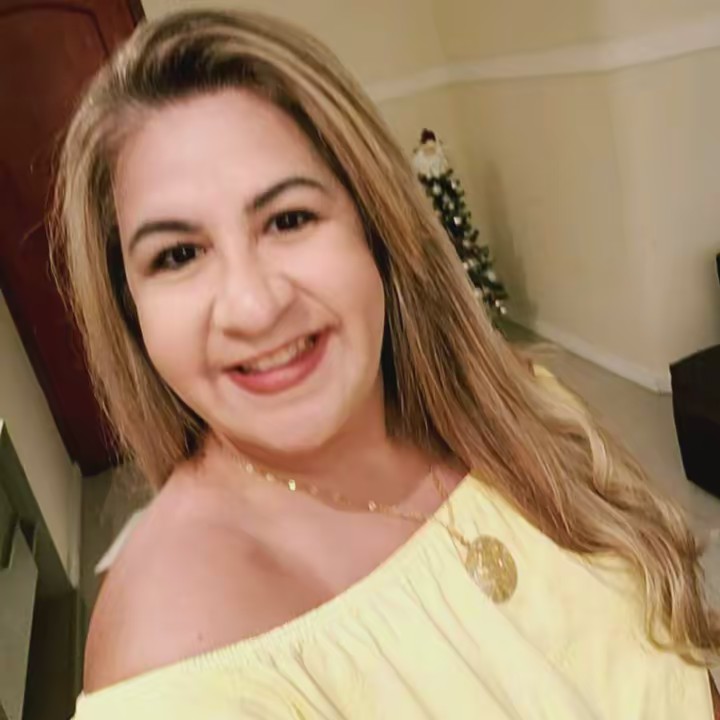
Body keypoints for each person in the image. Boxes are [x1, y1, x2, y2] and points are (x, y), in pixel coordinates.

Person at [53, 9, 719, 719]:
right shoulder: (170, 663)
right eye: (178, 255)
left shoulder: (518, 404)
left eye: (288, 219)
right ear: (131, 309)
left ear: (375, 225)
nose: (253, 306)